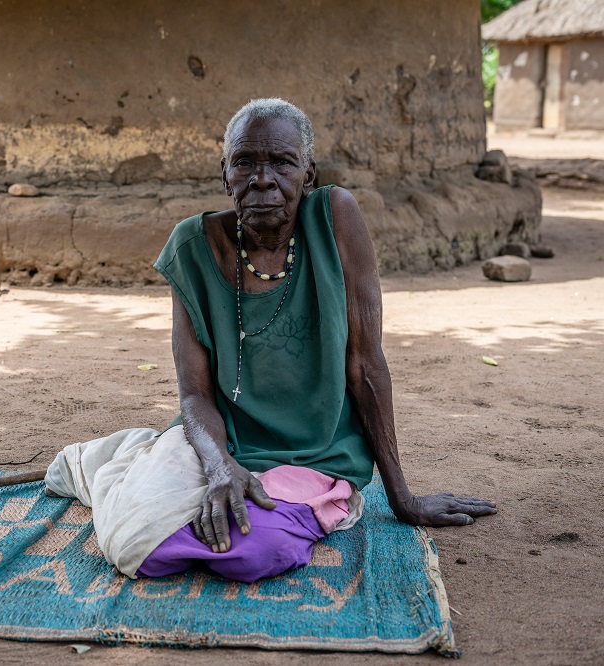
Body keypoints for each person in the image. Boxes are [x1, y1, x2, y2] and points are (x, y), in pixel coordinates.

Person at [44, 98, 496, 583]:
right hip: (220, 444)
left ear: (308, 173)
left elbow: (366, 365)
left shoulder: (336, 218)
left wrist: (402, 498)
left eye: (282, 163)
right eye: (245, 163)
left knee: (257, 550)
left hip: (315, 454)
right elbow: (195, 394)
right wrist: (219, 468)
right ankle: (122, 462)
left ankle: (132, 463)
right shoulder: (191, 248)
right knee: (136, 546)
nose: (263, 179)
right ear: (225, 175)